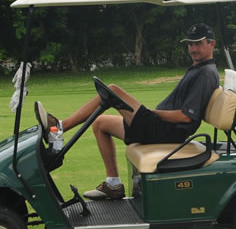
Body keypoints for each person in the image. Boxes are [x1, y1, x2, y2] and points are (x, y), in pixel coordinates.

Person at [35, 23, 219, 200]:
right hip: (159, 127)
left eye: (198, 43)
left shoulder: (206, 73)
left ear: (211, 44)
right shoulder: (198, 69)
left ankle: (59, 128)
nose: (193, 48)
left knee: (113, 90)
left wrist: (152, 113)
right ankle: (113, 184)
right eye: (190, 44)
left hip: (165, 131)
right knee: (100, 124)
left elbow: (186, 117)